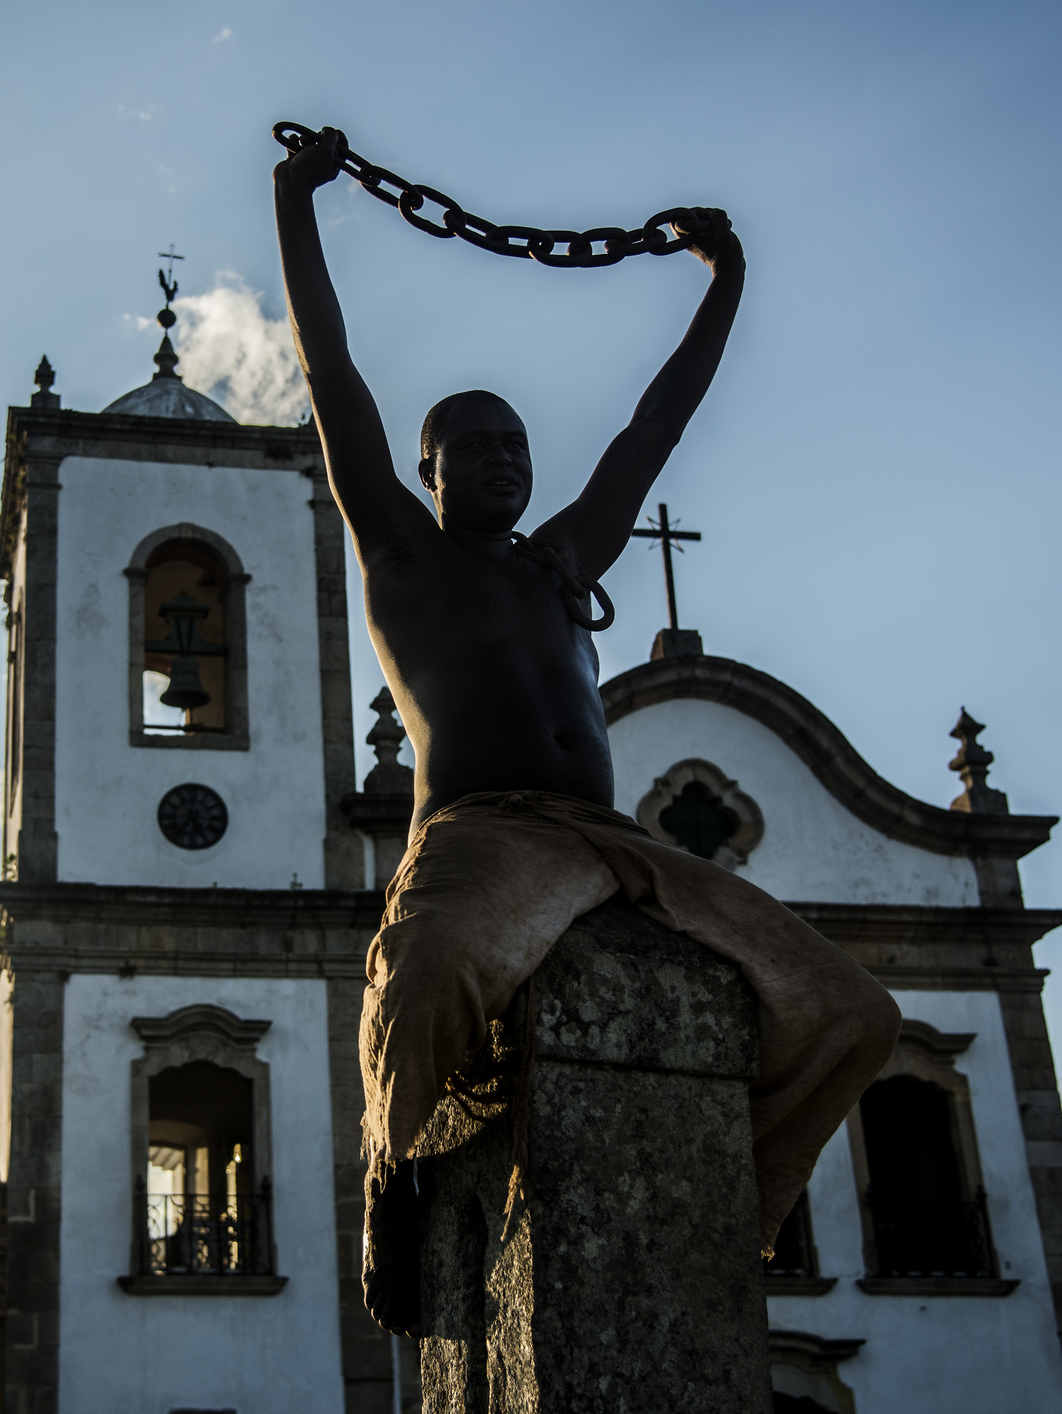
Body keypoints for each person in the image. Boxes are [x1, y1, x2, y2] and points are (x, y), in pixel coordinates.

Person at [274, 127, 901, 1333]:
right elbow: (330, 372)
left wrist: (726, 286)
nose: (503, 460)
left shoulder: (562, 562)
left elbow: (654, 426)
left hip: (616, 841)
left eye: (516, 443)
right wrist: (296, 203)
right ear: (426, 467)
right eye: (473, 446)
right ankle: (391, 1182)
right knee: (433, 969)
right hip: (484, 829)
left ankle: (723, 1214)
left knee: (850, 1012)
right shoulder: (402, 553)